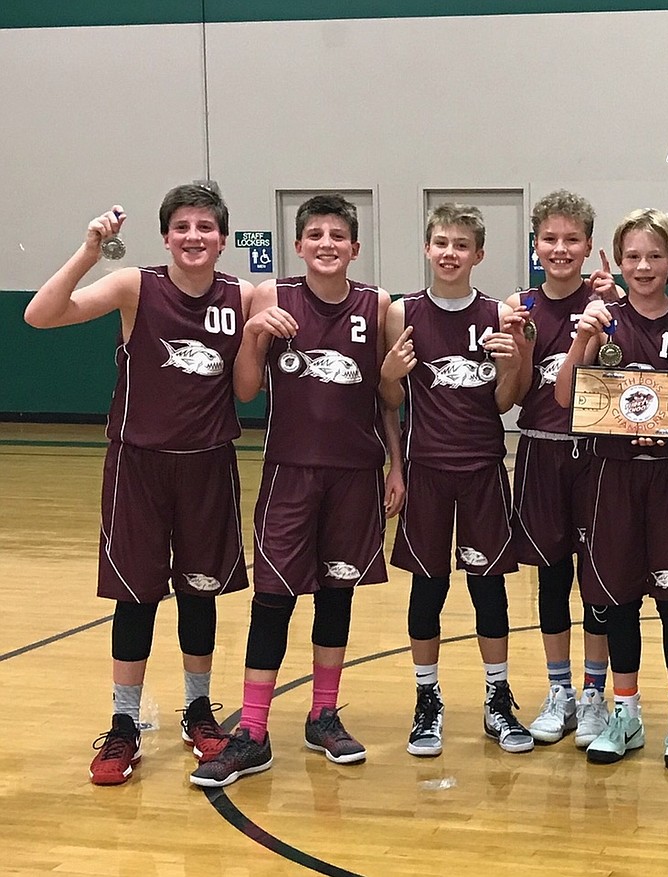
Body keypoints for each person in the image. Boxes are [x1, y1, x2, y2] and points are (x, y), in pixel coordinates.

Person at [24, 185, 251, 785]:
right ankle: (124, 724)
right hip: (139, 465)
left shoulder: (243, 295)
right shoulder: (135, 287)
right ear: (166, 236)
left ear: (223, 238)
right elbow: (40, 314)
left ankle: (199, 709)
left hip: (208, 463)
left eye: (206, 226)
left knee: (201, 591)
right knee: (136, 595)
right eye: (182, 226)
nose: (194, 236)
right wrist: (90, 248)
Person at [190, 194, 399, 788]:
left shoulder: (377, 305)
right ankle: (252, 730)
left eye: (338, 235)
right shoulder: (271, 299)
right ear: (300, 246)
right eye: (315, 235)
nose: (327, 243)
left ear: (355, 247)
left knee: (337, 596)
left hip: (356, 472)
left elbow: (387, 399)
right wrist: (254, 335)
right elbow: (247, 390)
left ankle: (323, 713)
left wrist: (397, 466)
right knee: (274, 598)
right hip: (290, 470)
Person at [554, 208, 668, 768]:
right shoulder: (604, 321)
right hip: (611, 476)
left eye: (654, 256)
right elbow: (567, 398)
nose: (643, 266)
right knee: (616, 603)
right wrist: (581, 342)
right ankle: (625, 714)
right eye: (633, 257)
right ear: (618, 262)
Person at [381, 203, 533, 757]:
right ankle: (428, 700)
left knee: (487, 587)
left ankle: (497, 698)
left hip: (483, 467)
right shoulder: (402, 313)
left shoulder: (499, 314)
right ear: (427, 248)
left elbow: (503, 402)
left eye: (461, 245)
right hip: (425, 470)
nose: (450, 253)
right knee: (428, 587)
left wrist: (513, 363)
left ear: (479, 254)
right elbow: (391, 401)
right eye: (441, 242)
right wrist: (387, 378)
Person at [504, 191, 615, 748]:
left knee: (595, 582)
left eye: (572, 239)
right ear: (535, 244)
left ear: (589, 246)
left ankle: (595, 695)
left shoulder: (609, 308)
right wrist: (519, 347)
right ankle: (559, 690)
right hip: (541, 452)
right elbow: (517, 394)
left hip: (597, 457)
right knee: (550, 580)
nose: (560, 248)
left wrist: (606, 325)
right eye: (550, 238)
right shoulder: (518, 306)